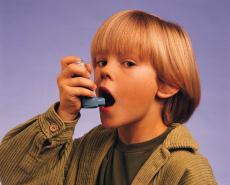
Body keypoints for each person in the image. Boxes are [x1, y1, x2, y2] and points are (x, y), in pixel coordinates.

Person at [0, 10, 217, 185]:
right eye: (101, 61)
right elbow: (12, 174)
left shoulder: (186, 171)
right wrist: (63, 114)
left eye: (128, 63)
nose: (104, 71)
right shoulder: (87, 150)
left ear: (167, 84)